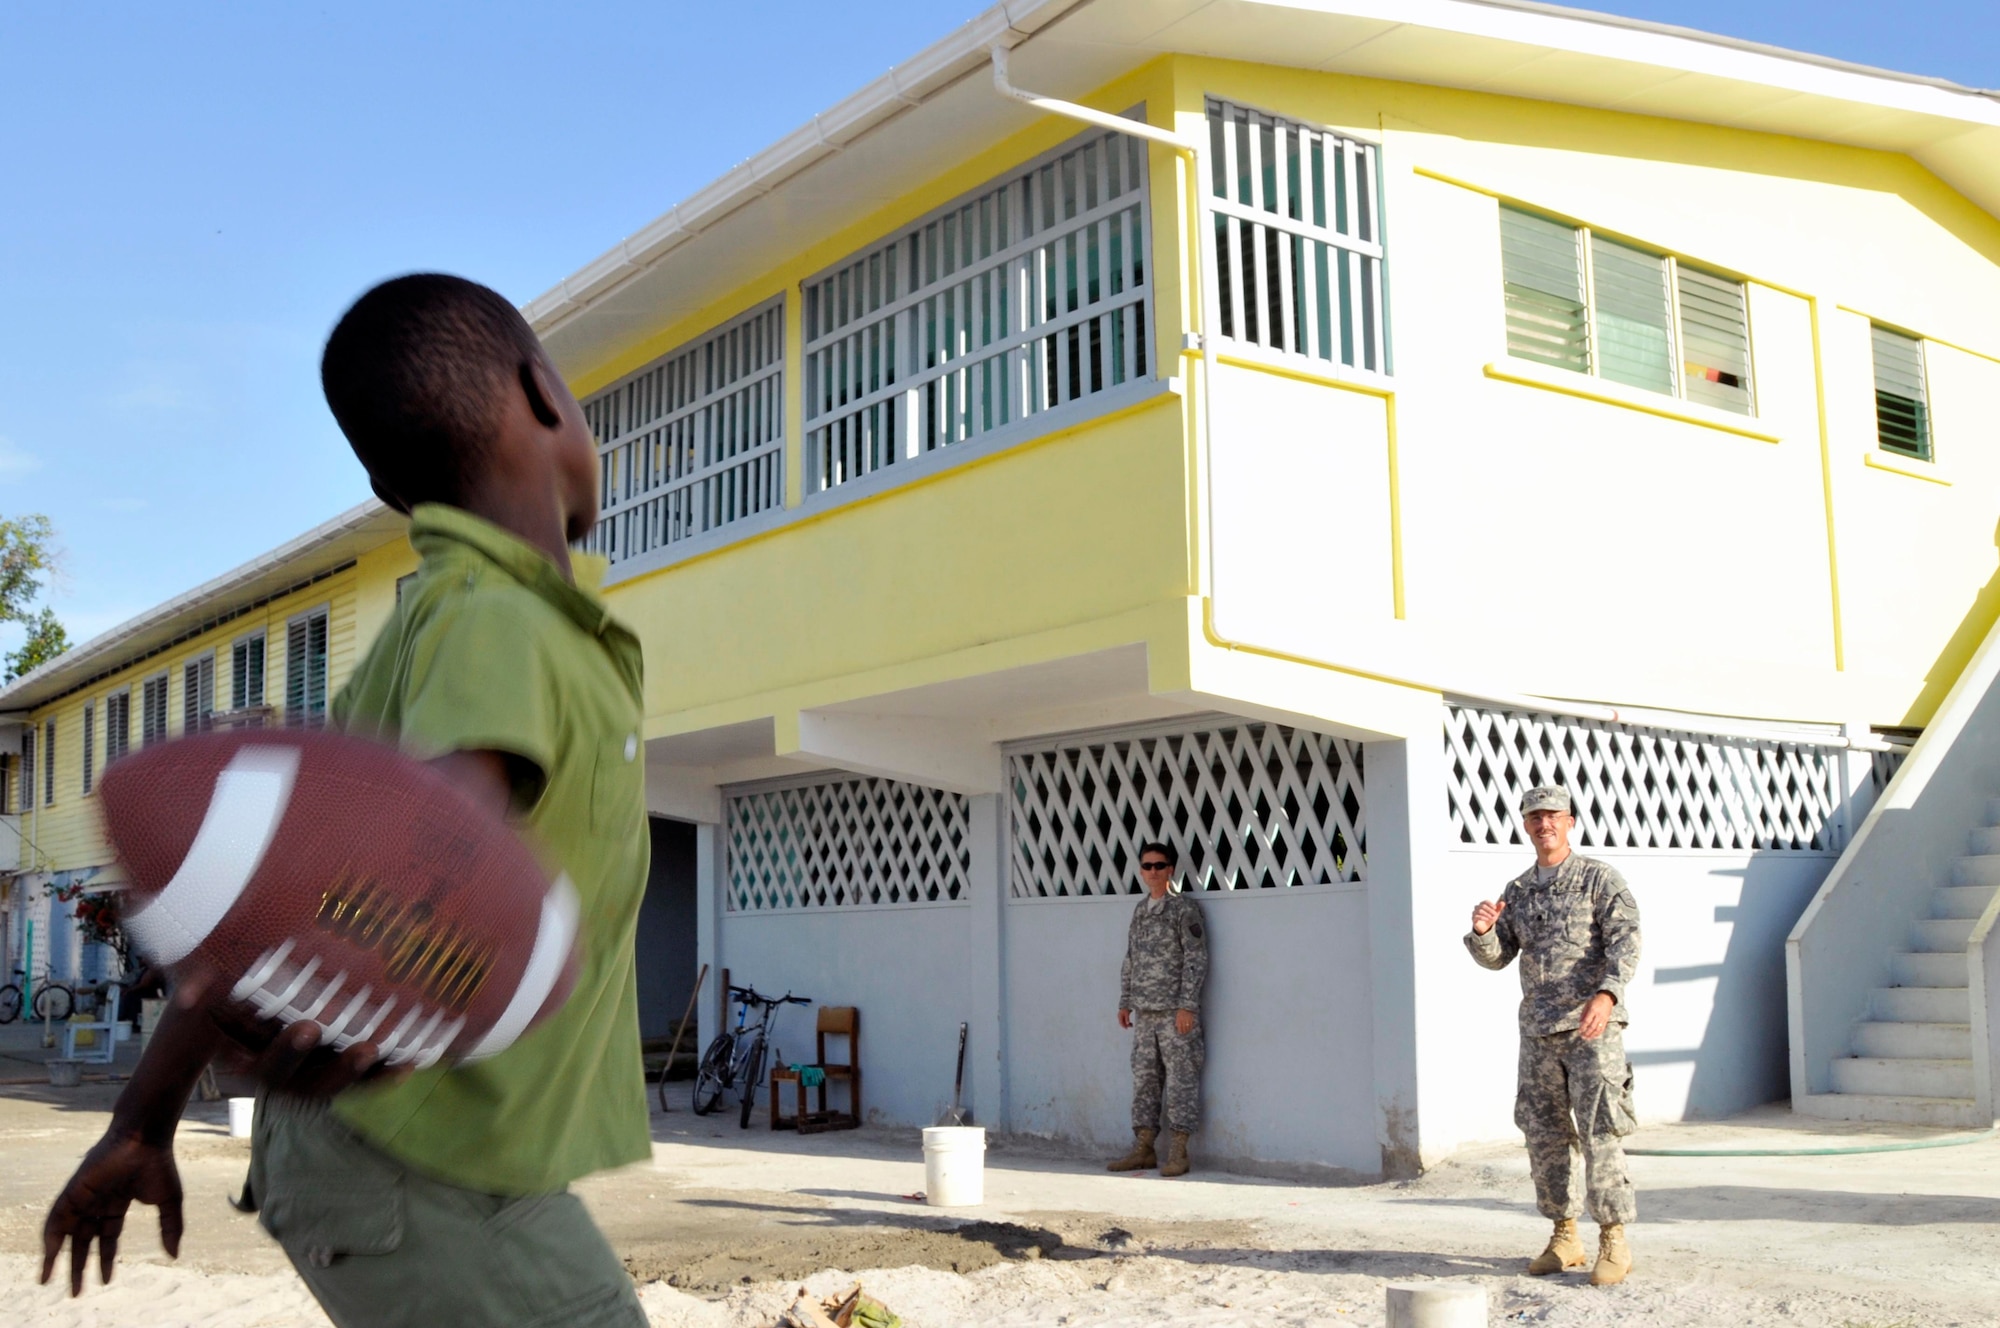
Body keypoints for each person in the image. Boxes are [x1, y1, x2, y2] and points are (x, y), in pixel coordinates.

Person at [42, 273, 653, 1327]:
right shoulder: (498, 619)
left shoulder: (445, 628)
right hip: (417, 1163)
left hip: (416, 1160)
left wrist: (141, 1121)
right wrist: (375, 975)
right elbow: (423, 860)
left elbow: (280, 902)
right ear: (543, 392)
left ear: (383, 489)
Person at [1467, 785, 1641, 1288]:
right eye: (1535, 817)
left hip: (1591, 1029)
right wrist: (1482, 934)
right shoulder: (1519, 889)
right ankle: (1564, 1235)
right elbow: (1500, 956)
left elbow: (1626, 941)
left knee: (1600, 1131)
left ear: (1569, 822)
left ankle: (1613, 1238)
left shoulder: (1598, 879)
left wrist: (1607, 996)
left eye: (1553, 816)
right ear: (1525, 826)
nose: (1544, 824)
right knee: (1544, 1136)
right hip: (1539, 1033)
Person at [1108, 841, 1208, 1177]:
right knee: (1145, 1081)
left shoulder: (1184, 910)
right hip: (1145, 1013)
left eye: (1159, 865)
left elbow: (1196, 958)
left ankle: (1179, 1152)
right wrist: (1126, 1001)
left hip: (1174, 1013)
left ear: (1170, 871)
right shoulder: (1140, 910)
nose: (1153, 871)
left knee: (1181, 1080)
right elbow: (1130, 959)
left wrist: (1187, 1006)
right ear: (1141, 871)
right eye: (1147, 866)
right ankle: (1144, 1148)